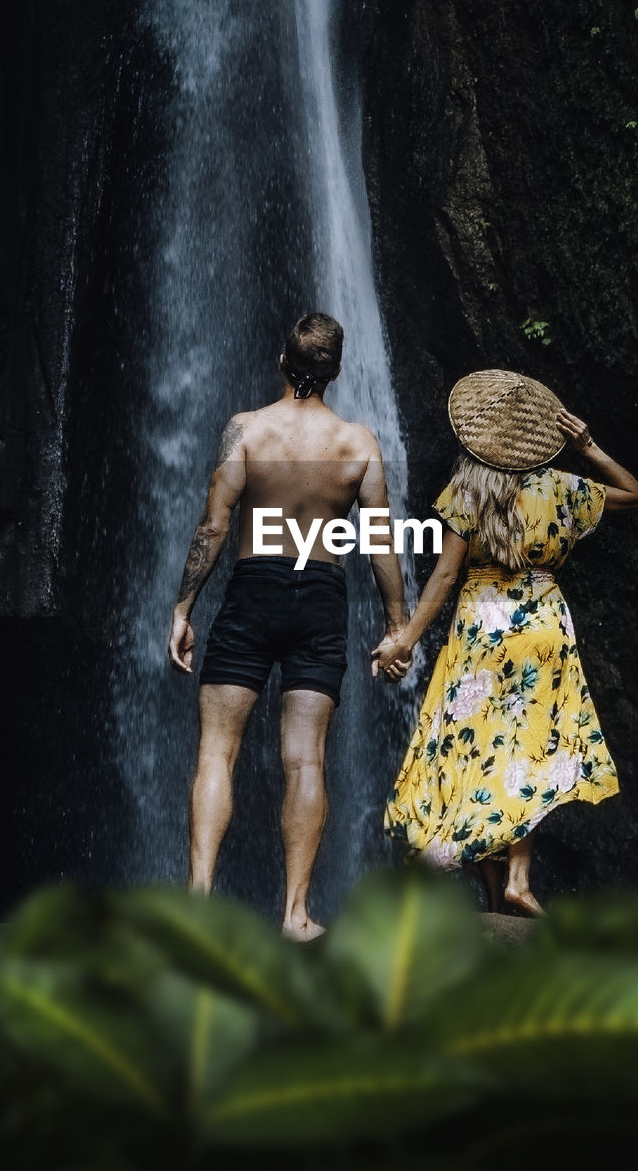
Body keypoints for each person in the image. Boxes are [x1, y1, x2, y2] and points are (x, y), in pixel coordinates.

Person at [168, 312, 408, 940]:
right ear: (335, 371)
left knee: (218, 750)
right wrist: (397, 627)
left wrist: (183, 608)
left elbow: (214, 526)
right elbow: (381, 542)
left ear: (282, 361)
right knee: (306, 761)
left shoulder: (247, 430)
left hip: (254, 589)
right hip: (320, 594)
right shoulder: (358, 445)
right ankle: (295, 915)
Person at [374, 369, 638, 915]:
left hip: (482, 630)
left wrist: (404, 638)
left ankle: (494, 886)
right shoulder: (563, 489)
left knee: (473, 748)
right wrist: (589, 446)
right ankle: (512, 886)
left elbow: (446, 578)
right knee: (526, 752)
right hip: (544, 628)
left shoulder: (468, 490)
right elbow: (636, 496)